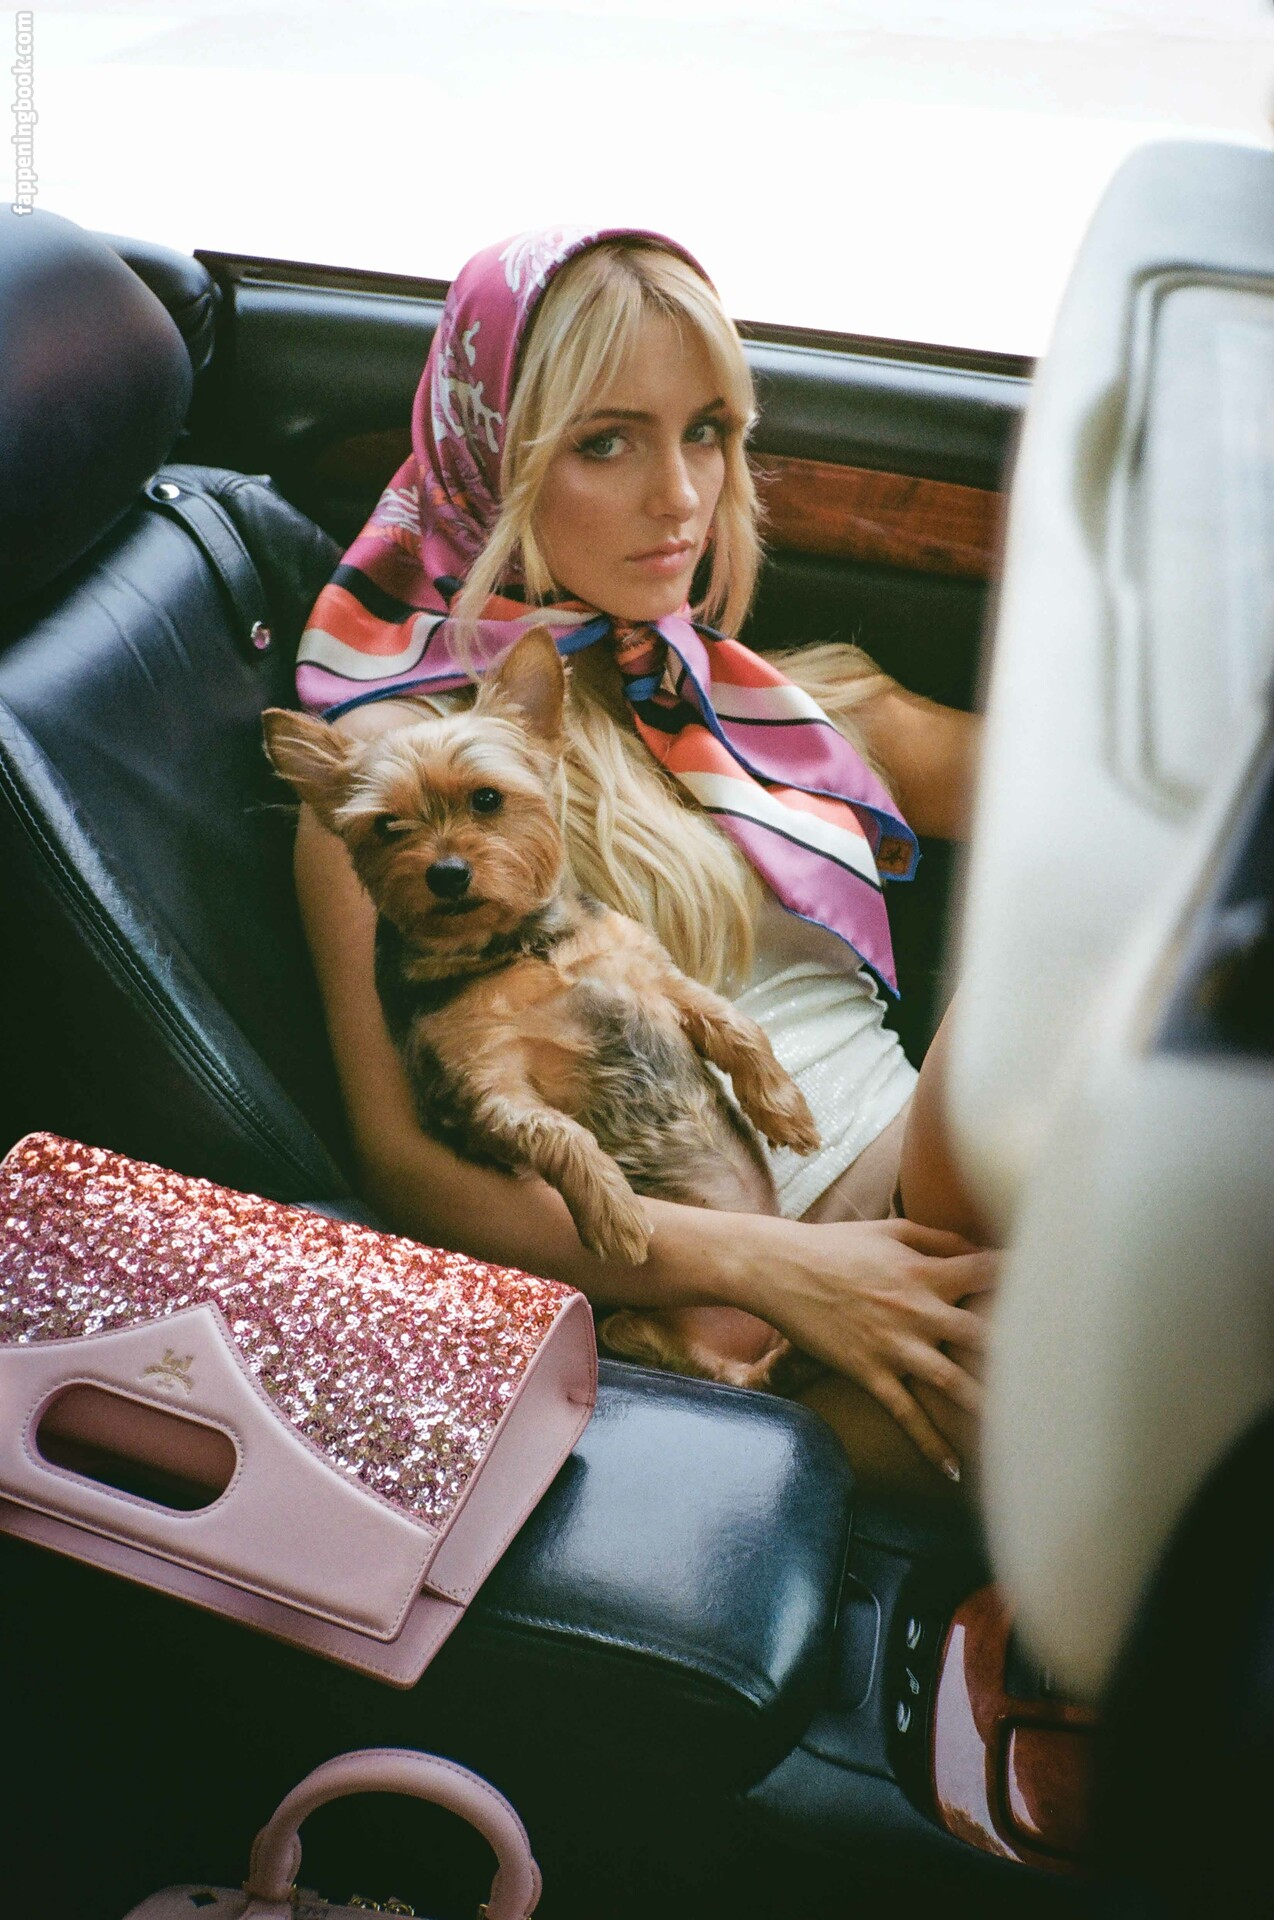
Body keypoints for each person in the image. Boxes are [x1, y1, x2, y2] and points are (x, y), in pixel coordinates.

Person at [292, 226, 996, 1497]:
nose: (679, 495)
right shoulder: (407, 777)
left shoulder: (763, 704)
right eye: (606, 443)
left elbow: (1119, 803)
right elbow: (413, 1171)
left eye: (707, 432)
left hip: (925, 1182)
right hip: (756, 1302)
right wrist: (780, 1268)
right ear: (488, 452)